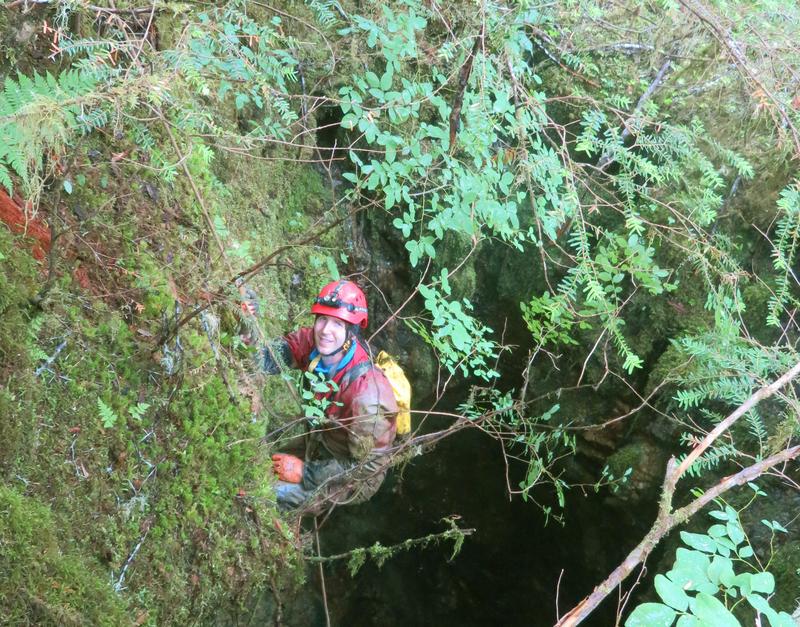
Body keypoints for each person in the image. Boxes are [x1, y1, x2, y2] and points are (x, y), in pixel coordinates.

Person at [258, 279, 398, 513]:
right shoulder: (315, 345)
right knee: (259, 467)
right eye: (322, 319)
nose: (325, 330)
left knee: (264, 492)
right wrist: (246, 328)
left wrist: (306, 472)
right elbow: (274, 355)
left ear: (351, 333)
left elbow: (366, 466)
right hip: (322, 439)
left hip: (352, 475)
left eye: (337, 323)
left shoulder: (368, 396)